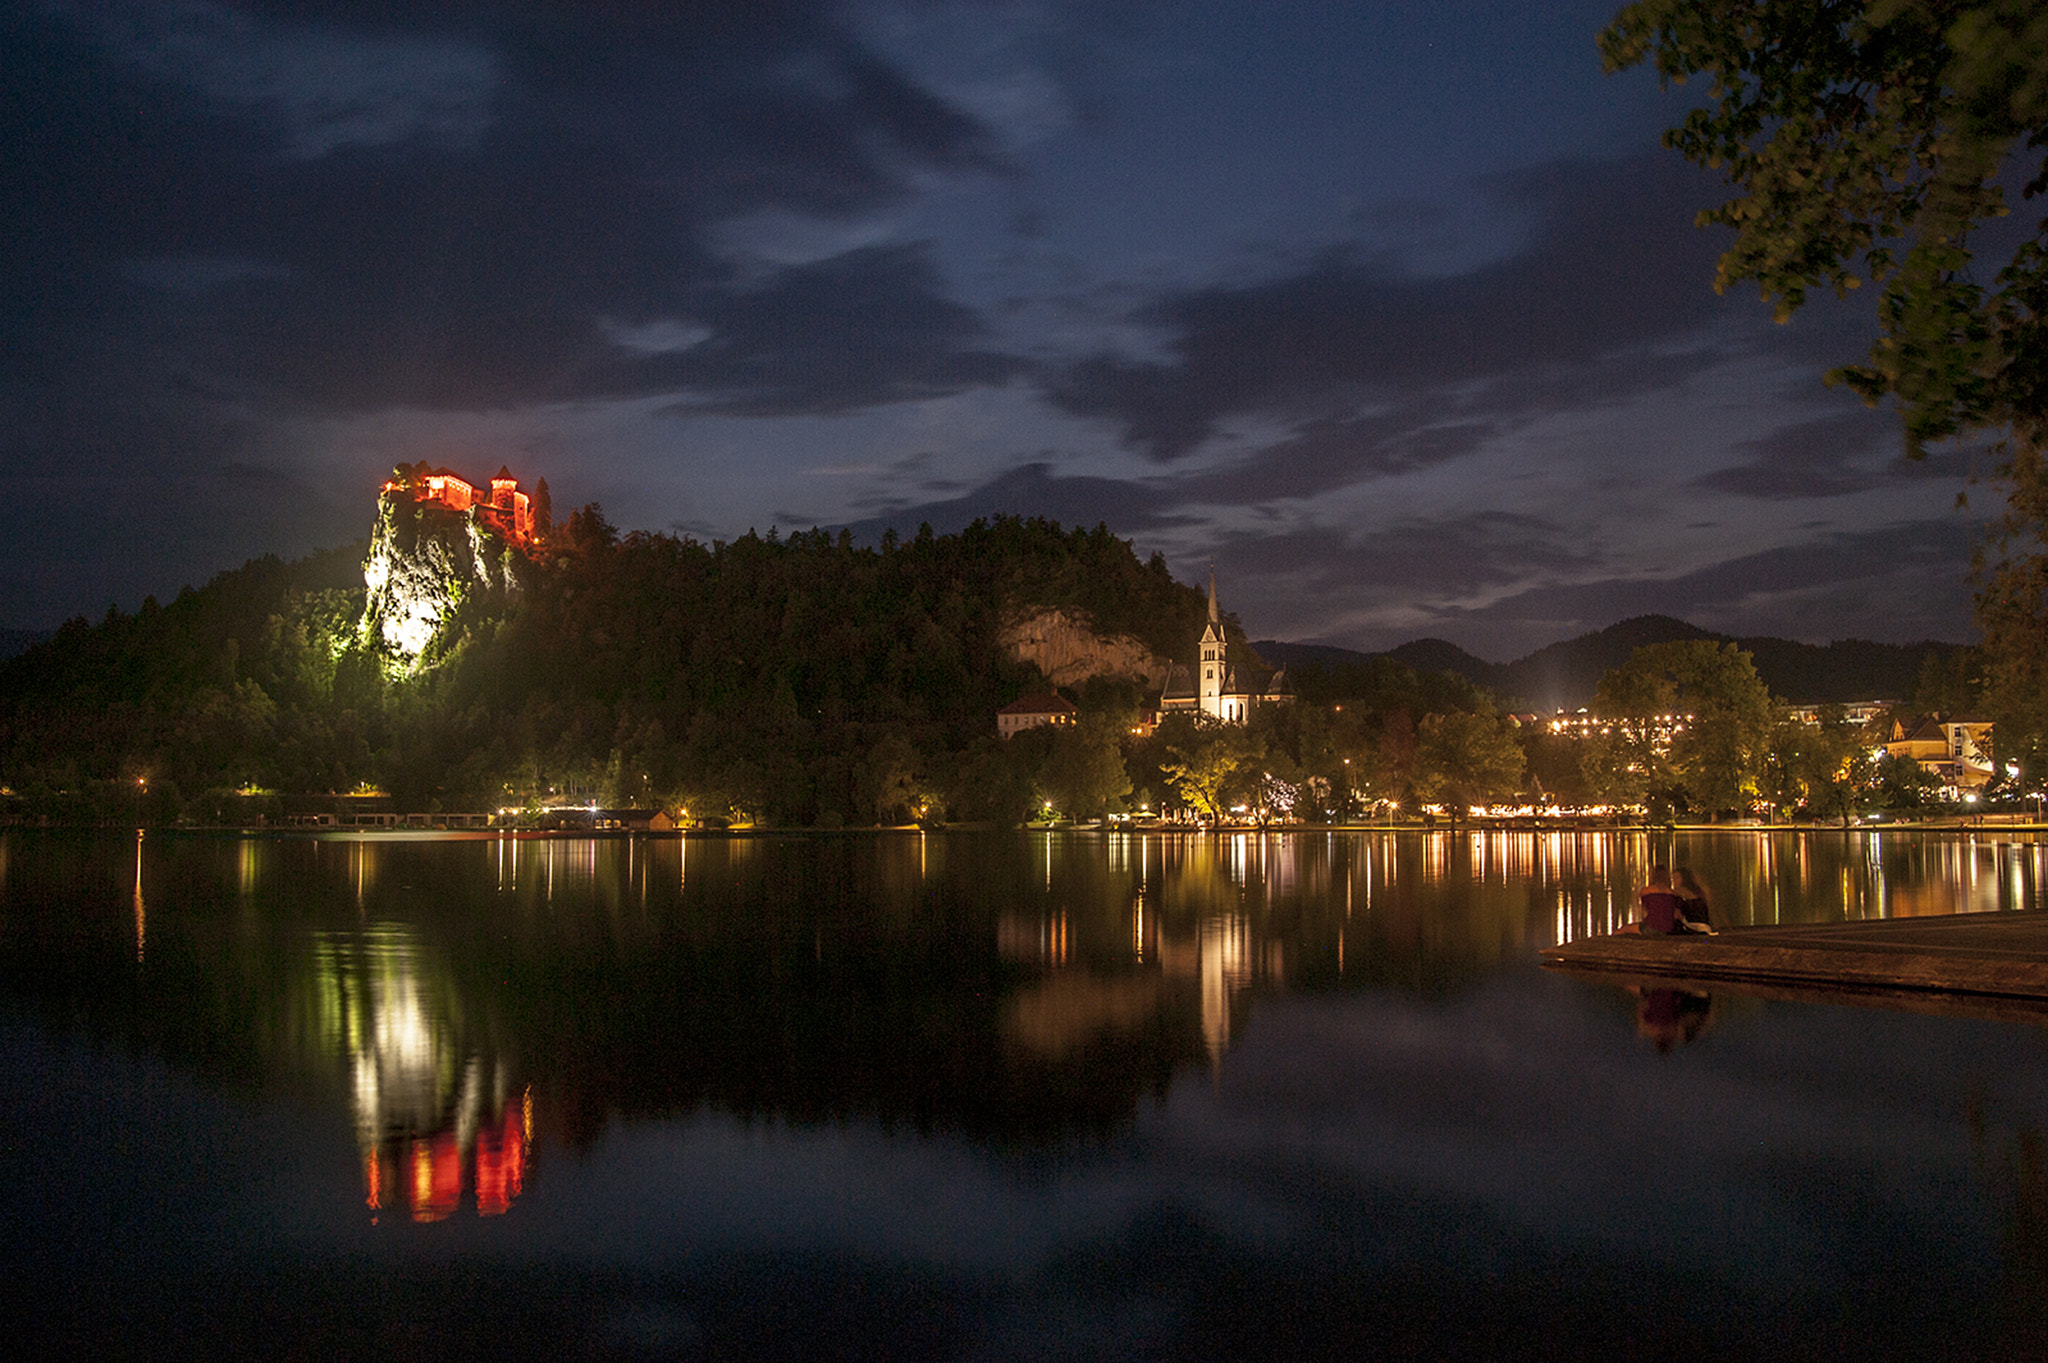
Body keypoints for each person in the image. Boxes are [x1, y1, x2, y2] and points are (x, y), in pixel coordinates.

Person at [1636, 864, 1686, 934]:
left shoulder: (1646, 892)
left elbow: (1644, 911)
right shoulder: (1673, 894)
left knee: (1623, 930)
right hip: (1668, 928)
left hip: (1651, 926)